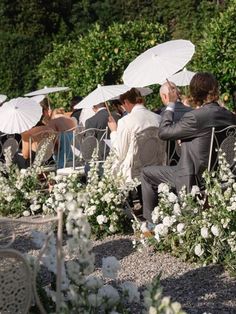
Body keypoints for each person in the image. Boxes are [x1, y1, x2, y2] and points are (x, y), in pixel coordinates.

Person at [141, 72, 236, 223]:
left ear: (194, 92)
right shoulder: (229, 116)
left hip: (192, 176)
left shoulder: (195, 116)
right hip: (220, 173)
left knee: (146, 173)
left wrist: (171, 104)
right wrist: (187, 139)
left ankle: (152, 225)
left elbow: (164, 132)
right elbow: (209, 137)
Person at [108, 87, 163, 181]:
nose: (123, 107)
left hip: (133, 173)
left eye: (122, 104)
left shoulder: (125, 121)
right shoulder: (159, 118)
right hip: (156, 168)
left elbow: (120, 153)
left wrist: (113, 131)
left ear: (126, 102)